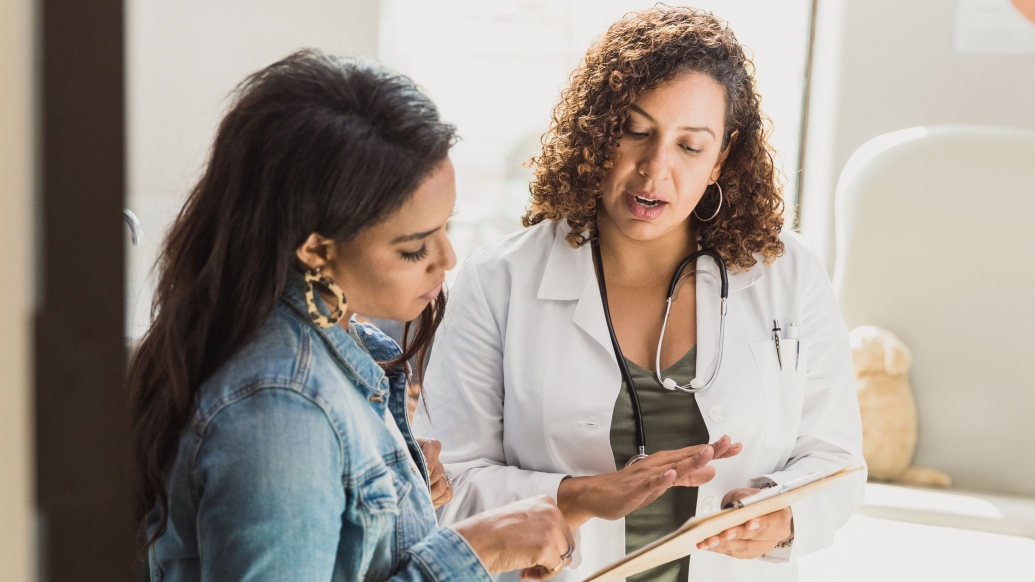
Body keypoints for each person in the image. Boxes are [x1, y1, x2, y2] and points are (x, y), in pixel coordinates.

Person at [415, 8, 865, 582]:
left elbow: (838, 463)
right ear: (598, 131)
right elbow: (441, 485)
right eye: (636, 131)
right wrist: (580, 495)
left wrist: (779, 517)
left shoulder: (788, 272)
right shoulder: (498, 280)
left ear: (721, 157)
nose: (656, 169)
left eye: (690, 146)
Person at [128, 50, 574, 581]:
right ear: (316, 250)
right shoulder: (281, 410)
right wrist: (473, 553)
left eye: (445, 226)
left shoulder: (336, 348)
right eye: (413, 248)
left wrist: (404, 508)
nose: (447, 260)